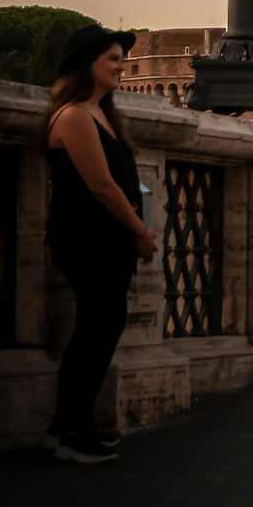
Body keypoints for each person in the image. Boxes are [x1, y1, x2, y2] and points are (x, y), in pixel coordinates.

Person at [41, 26, 157, 462]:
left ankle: (65, 427)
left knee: (95, 331)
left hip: (101, 239)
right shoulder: (74, 116)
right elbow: (102, 186)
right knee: (97, 332)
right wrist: (140, 232)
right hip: (90, 240)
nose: (122, 65)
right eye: (113, 58)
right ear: (87, 65)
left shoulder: (100, 114)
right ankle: (74, 432)